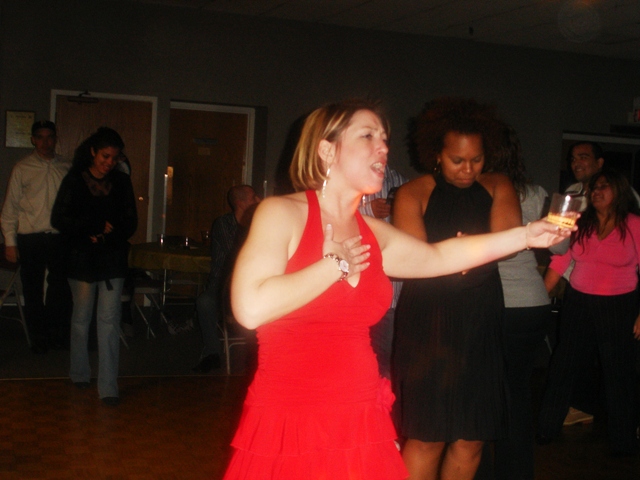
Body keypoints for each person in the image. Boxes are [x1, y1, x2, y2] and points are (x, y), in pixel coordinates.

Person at [222, 99, 571, 479]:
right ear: (326, 150)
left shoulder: (371, 232)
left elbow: (438, 256)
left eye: (384, 138)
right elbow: (250, 309)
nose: (383, 147)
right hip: (294, 415)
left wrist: (527, 235)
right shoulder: (282, 213)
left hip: (360, 412)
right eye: (367, 136)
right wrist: (333, 266)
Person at [391, 97, 522, 480]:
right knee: (426, 436)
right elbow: (415, 259)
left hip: (480, 320)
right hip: (428, 324)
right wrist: (464, 253)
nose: (468, 169)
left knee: (471, 437)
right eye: (457, 160)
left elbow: (509, 241)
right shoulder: (413, 192)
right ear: (436, 154)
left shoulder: (498, 185)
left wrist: (460, 253)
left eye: (476, 159)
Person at [537, 168, 640, 457]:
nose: (596, 191)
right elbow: (560, 262)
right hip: (579, 302)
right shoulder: (581, 223)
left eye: (603, 186)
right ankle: (546, 428)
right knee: (563, 366)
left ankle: (623, 441)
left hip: (619, 306)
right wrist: (539, 298)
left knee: (618, 374)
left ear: (619, 191)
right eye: (594, 187)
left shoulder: (634, 224)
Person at [51, 127, 137, 407]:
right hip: (82, 258)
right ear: (93, 152)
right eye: (104, 156)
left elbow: (130, 221)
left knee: (109, 321)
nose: (109, 162)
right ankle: (79, 372)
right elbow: (59, 218)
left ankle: (108, 385)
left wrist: (107, 234)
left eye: (114, 157)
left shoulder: (121, 181)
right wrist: (91, 226)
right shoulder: (75, 179)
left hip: (112, 258)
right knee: (81, 317)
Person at [490, 124, 552, 480]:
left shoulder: (480, 191)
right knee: (516, 392)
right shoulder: (535, 193)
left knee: (488, 394)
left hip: (498, 305)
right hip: (532, 304)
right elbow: (560, 245)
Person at [0, 120, 72, 354]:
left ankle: (56, 334)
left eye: (49, 137)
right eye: (39, 137)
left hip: (59, 237)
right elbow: (10, 209)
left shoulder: (66, 166)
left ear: (55, 139)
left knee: (59, 288)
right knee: (32, 290)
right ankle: (38, 338)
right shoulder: (22, 168)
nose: (45, 142)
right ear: (33, 140)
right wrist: (10, 242)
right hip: (31, 238)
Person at [192, 184, 260, 373]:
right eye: (253, 197)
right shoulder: (224, 224)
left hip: (250, 282)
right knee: (205, 302)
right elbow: (236, 256)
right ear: (240, 202)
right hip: (223, 283)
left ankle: (259, 353)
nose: (258, 200)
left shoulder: (259, 222)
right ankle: (212, 353)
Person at [358, 164, 407, 378]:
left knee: (387, 367)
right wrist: (367, 210)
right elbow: (328, 220)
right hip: (355, 293)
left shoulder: (402, 183)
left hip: (391, 296)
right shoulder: (346, 177)